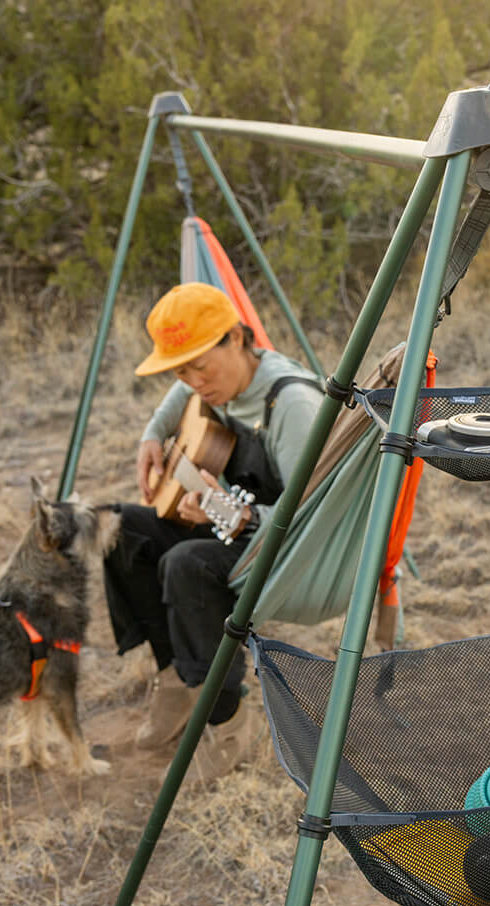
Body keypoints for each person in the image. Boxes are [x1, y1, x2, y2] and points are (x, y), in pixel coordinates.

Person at [104, 281, 323, 782]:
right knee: (120, 529)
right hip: (236, 525)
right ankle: (177, 682)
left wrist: (228, 512)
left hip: (287, 552)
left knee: (185, 564)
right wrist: (153, 434)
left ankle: (229, 724)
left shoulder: (292, 405)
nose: (193, 382)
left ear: (238, 338)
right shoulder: (214, 380)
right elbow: (183, 390)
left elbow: (309, 518)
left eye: (200, 366)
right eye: (180, 370)